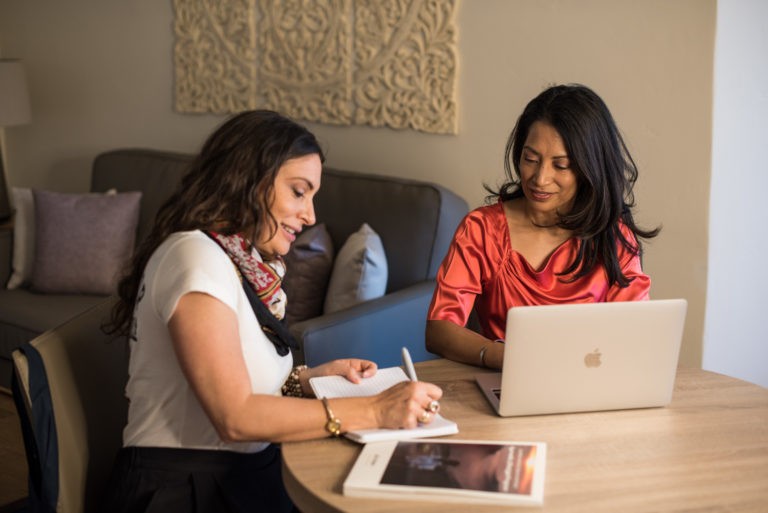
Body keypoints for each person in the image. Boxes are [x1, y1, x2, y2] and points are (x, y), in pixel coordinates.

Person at [102, 110, 442, 513]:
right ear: (248, 180)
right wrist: (373, 409)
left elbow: (239, 376)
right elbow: (235, 416)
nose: (311, 215)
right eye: (299, 192)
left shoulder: (237, 261)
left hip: (236, 474)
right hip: (182, 487)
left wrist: (308, 378)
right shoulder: (195, 258)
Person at [426, 84, 659, 370]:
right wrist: (498, 355)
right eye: (530, 159)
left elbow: (634, 333)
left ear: (590, 170)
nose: (540, 178)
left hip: (593, 387)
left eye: (560, 165)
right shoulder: (482, 229)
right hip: (505, 381)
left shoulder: (614, 235)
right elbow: (439, 330)